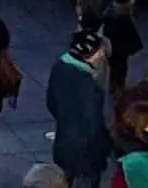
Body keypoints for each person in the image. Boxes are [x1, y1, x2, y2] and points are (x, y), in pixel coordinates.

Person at [47, 31, 111, 188]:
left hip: (64, 143)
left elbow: (51, 103)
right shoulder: (89, 86)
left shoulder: (59, 68)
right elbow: (93, 125)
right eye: (100, 52)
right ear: (90, 55)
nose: (103, 55)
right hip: (86, 155)